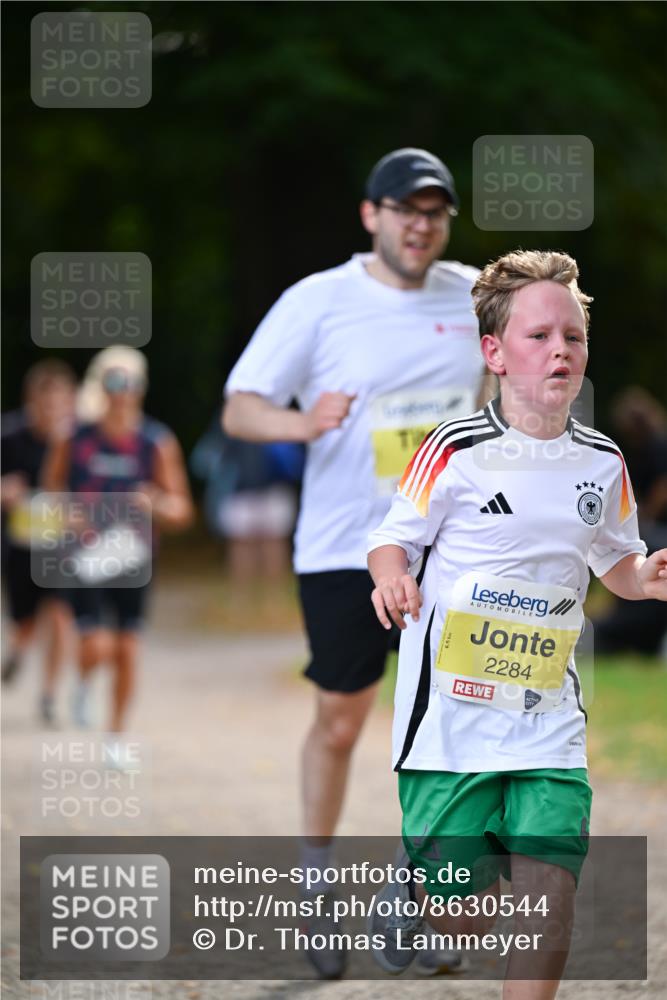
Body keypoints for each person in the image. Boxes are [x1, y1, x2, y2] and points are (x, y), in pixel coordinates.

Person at [366, 249, 667, 997]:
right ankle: (419, 888)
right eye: (539, 336)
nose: (560, 349)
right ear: (494, 353)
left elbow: (616, 559)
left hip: (546, 715)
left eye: (572, 336)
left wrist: (645, 578)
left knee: (548, 890)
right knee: (466, 918)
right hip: (450, 723)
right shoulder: (453, 449)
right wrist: (392, 576)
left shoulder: (602, 462)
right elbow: (392, 537)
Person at [223, 147, 489, 977]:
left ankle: (416, 897)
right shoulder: (318, 299)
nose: (421, 225)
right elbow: (240, 409)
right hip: (344, 546)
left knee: (460, 725)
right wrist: (303, 424)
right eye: (406, 210)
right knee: (341, 722)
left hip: (450, 547)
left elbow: (499, 391)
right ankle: (315, 889)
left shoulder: (472, 293)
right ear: (372, 214)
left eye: (435, 213)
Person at [43, 346, 193, 740]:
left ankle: (116, 735)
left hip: (133, 555)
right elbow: (51, 491)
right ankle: (84, 680)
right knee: (95, 645)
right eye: (115, 381)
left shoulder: (155, 442)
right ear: (101, 385)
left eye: (132, 382)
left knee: (129, 649)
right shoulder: (74, 438)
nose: (123, 391)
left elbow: (182, 509)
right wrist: (66, 512)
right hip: (85, 554)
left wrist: (156, 504)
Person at [1, 359, 76, 724]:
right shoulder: (9, 437)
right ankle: (17, 650)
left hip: (61, 544)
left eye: (60, 404)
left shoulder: (78, 442)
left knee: (61, 615)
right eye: (46, 404)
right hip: (21, 544)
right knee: (26, 622)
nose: (52, 412)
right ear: (31, 401)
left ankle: (48, 695)